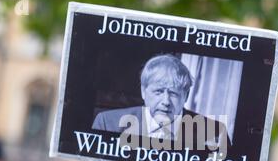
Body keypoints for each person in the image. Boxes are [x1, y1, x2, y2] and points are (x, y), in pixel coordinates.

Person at [92, 54, 230, 151]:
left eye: (174, 93)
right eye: (158, 91)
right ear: (143, 92)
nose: (166, 102)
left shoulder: (215, 133)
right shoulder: (107, 123)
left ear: (186, 96)